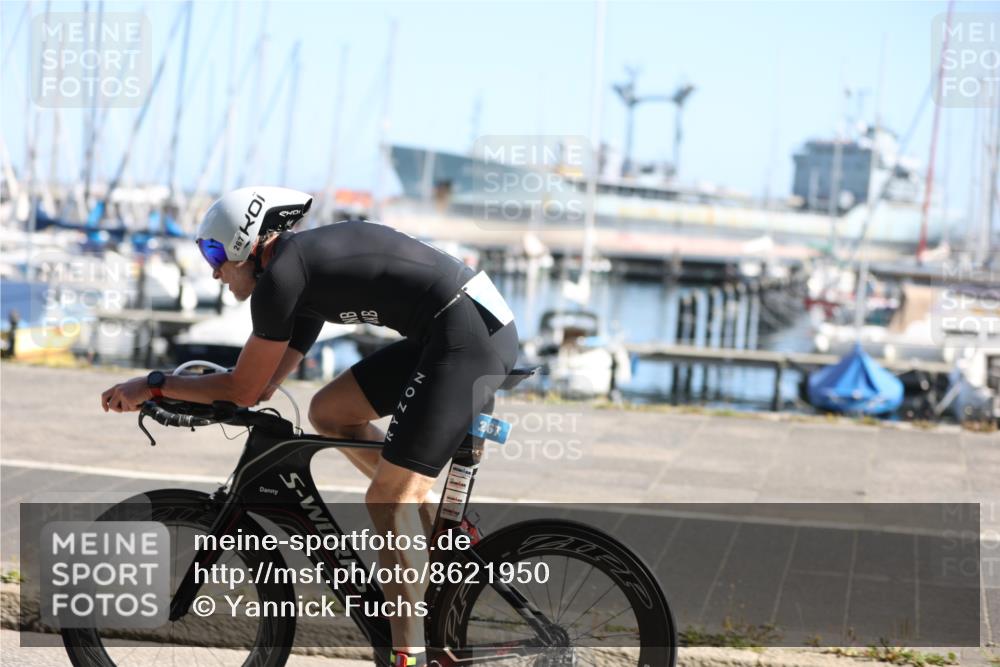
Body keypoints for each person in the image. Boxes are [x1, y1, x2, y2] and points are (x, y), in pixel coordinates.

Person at [100, 186, 519, 667]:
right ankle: (420, 509)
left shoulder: (282, 277)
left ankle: (409, 655)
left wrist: (153, 385)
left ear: (245, 243)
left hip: (468, 337)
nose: (213, 270)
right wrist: (183, 394)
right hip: (457, 329)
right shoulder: (297, 279)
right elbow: (258, 389)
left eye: (214, 252)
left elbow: (241, 388)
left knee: (387, 501)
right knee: (330, 412)